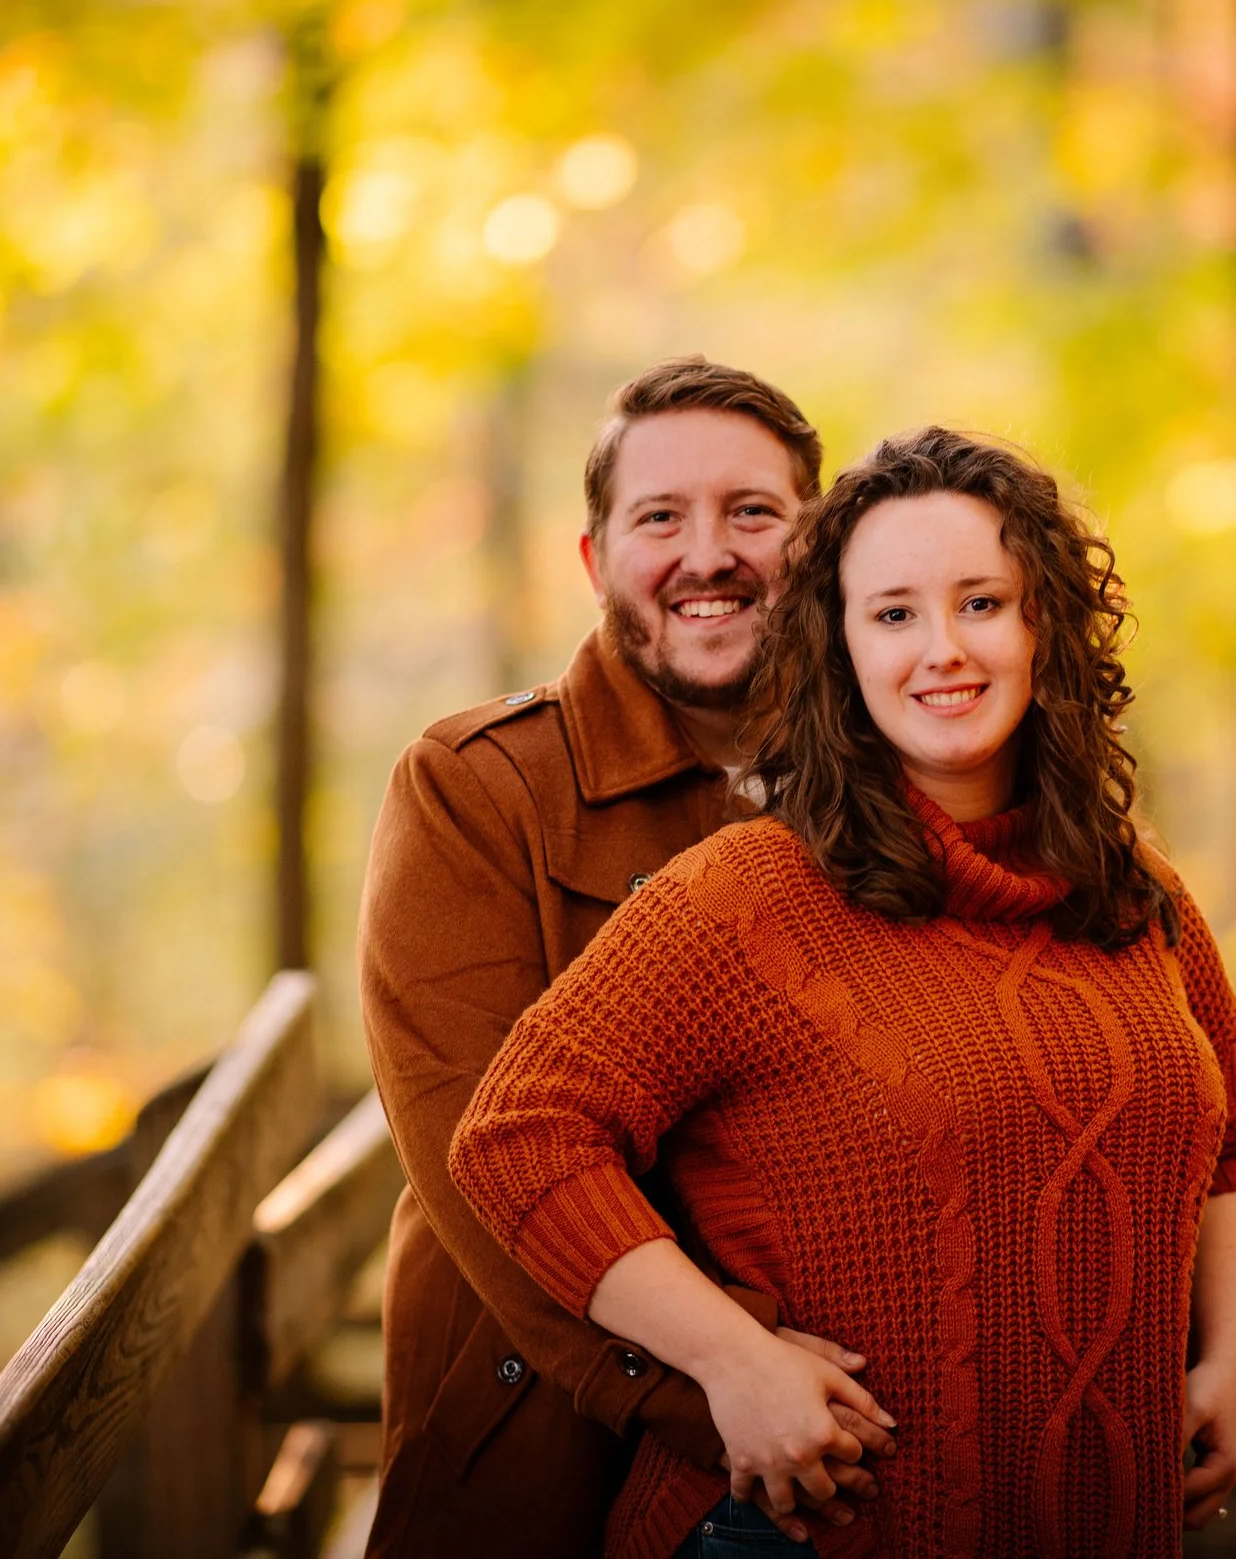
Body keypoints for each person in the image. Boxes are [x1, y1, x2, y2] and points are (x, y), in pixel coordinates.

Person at [448, 426, 1236, 1558]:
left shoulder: (1138, 892)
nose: (942, 648)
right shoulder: (747, 895)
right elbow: (515, 1135)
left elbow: (1231, 1144)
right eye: (892, 613)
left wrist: (1220, 1361)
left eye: (981, 602)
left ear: (1045, 628)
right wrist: (732, 1359)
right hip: (813, 1531)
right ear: (838, 649)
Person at [359, 358, 891, 1556]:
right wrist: (719, 1374)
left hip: (855, 1433)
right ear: (598, 561)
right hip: (543, 1433)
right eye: (660, 517)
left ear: (816, 549)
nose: (707, 554)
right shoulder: (477, 790)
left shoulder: (897, 785)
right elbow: (474, 1157)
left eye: (752, 512)